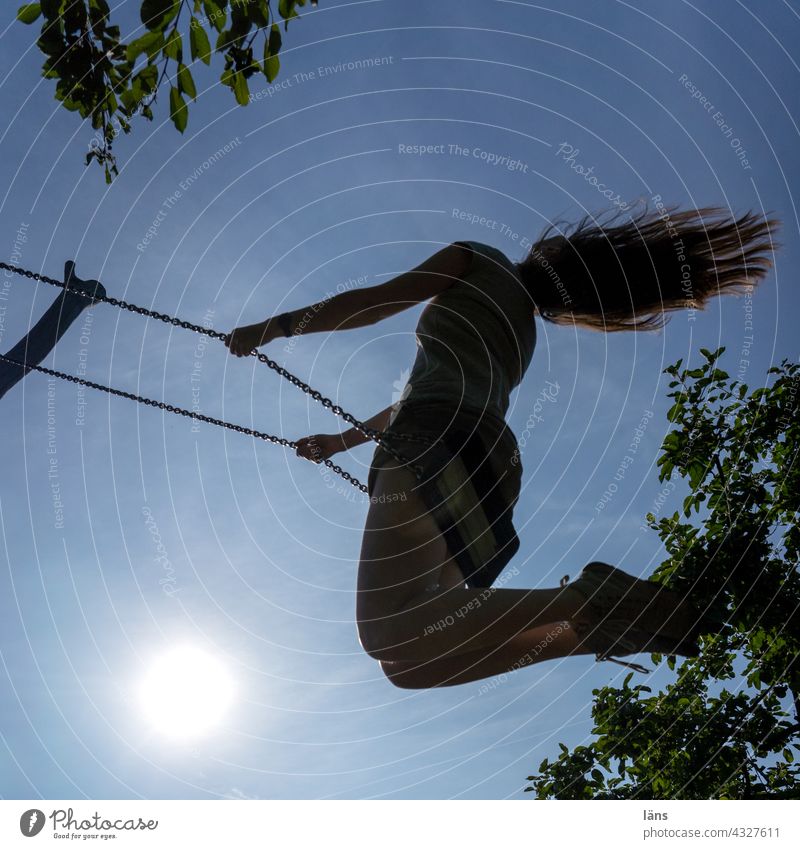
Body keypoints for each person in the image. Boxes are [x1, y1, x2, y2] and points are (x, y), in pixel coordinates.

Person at [226, 204, 777, 688]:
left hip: (436, 437)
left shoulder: (479, 258)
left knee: (384, 631)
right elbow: (419, 397)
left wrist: (276, 326)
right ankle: (584, 632)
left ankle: (586, 599)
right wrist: (341, 442)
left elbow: (377, 302)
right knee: (409, 664)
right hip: (486, 459)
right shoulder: (522, 326)